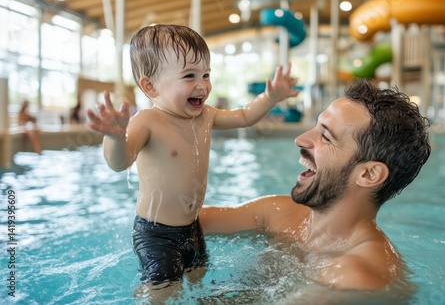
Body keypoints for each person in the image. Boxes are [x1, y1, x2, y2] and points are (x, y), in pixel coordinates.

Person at [86, 24, 299, 294]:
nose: (202, 85)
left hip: (191, 227)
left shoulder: (206, 116)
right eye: (189, 76)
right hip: (156, 233)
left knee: (198, 278)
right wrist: (115, 138)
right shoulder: (148, 122)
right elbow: (120, 163)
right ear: (150, 85)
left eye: (206, 74)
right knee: (163, 290)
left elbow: (245, 116)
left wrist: (270, 97)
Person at [199, 79, 431, 292]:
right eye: (316, 126)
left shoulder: (353, 276)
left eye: (326, 137)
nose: (300, 139)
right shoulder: (278, 213)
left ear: (369, 174)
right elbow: (180, 223)